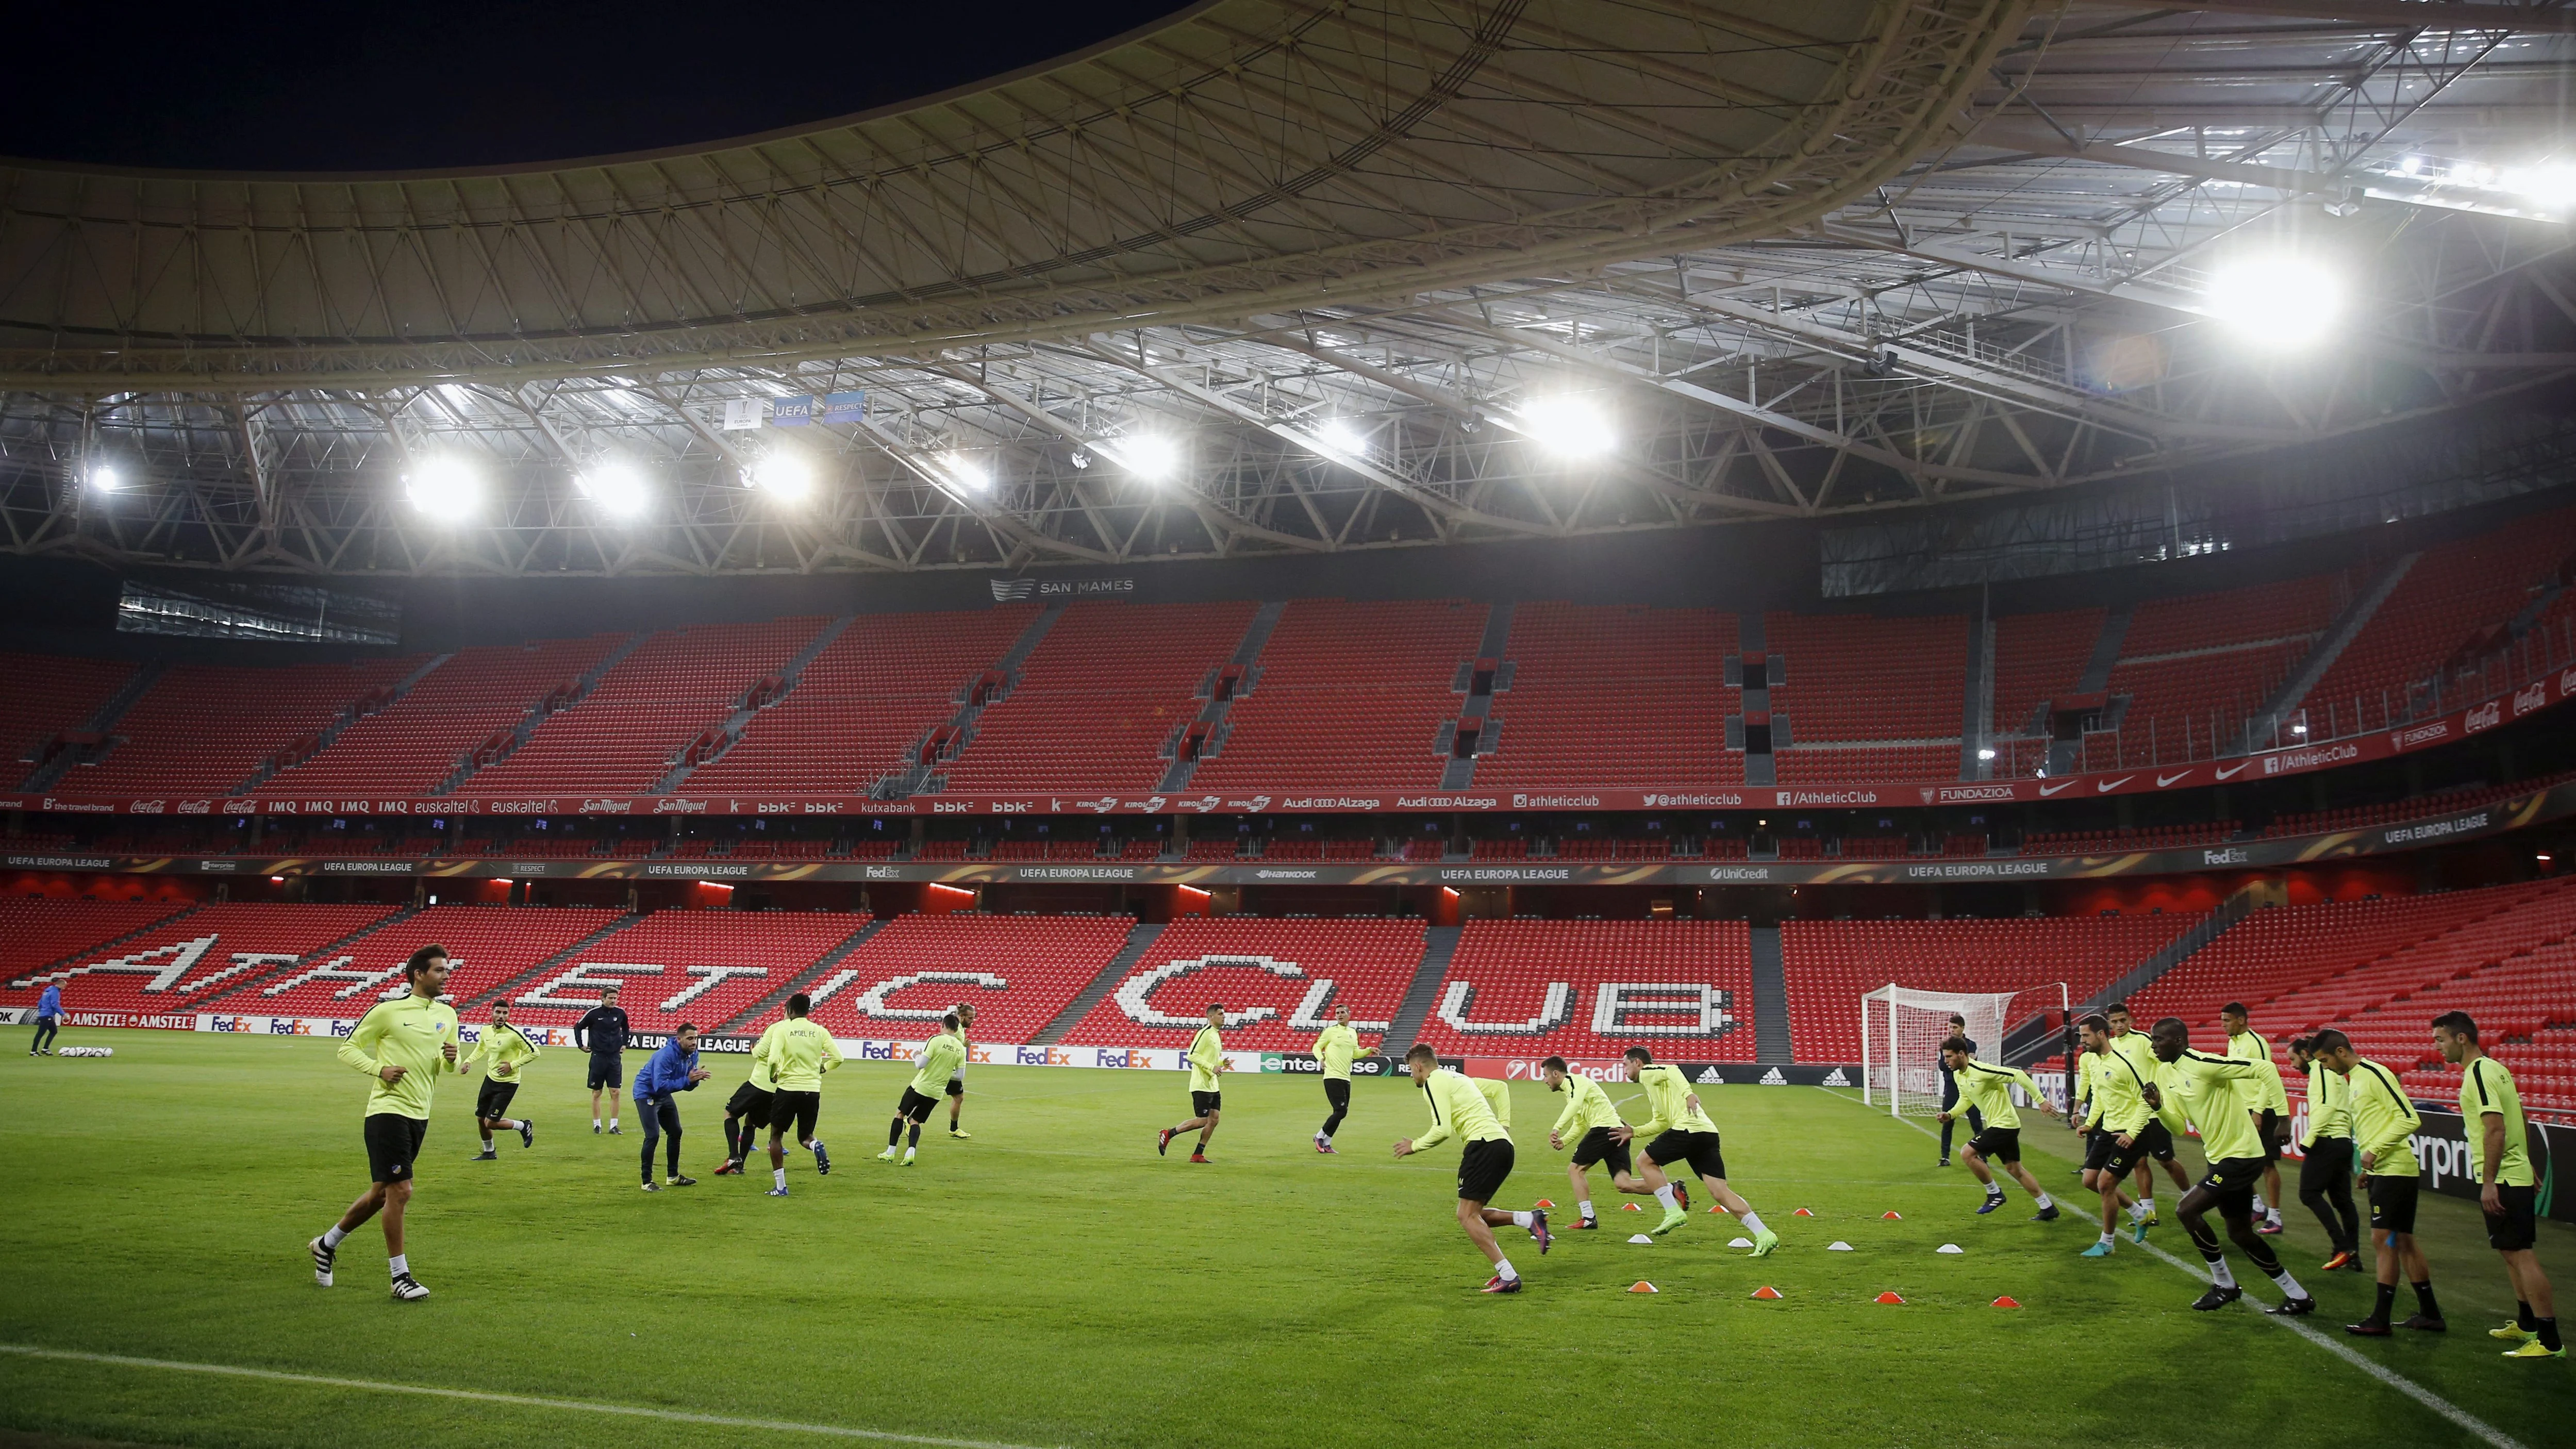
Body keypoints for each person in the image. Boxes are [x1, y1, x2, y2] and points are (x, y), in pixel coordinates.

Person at [309, 944, 458, 1302]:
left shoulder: (448, 1015)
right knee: (402, 1191)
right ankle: (400, 1276)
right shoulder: (387, 1011)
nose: (446, 975)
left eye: (447, 969)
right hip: (387, 1110)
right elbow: (348, 1048)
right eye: (439, 970)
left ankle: (326, 1244)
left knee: (381, 1194)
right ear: (418, 974)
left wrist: (450, 1059)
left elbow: (444, 1066)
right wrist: (380, 1069)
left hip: (420, 1114)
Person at [2148, 1019, 2316, 1316]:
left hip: (2243, 1155)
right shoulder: (2165, 1072)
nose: (2153, 1045)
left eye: (2159, 1039)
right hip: (2219, 1157)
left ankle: (2224, 1284)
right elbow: (2177, 1126)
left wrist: (2283, 1118)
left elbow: (2265, 1069)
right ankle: (2297, 1295)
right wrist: (2159, 1107)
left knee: (2187, 1210)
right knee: (2240, 1233)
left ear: (2178, 1041)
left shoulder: (2204, 1063)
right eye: (2153, 1039)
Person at [2432, 1012, 2560, 1359]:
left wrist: (2488, 1181)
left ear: (2461, 1038)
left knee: (2520, 1252)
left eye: (2440, 1039)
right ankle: (2527, 1322)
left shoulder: (2478, 1073)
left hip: (2502, 1176)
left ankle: (2549, 1340)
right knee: (2509, 1251)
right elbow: (2521, 1116)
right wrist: (2528, 1161)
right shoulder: (2495, 1068)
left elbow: (2495, 1129)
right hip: (2511, 1170)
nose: (2437, 1047)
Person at [2312, 1028, 2440, 1336]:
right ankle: (2431, 1314)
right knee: (2403, 1241)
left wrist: (2374, 1152)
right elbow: (2377, 1124)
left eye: (2325, 1060)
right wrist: (2369, 1167)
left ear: (2341, 1052)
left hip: (2396, 1171)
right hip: (2386, 1171)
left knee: (2383, 1241)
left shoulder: (2373, 1073)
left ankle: (2381, 1319)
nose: (2325, 1066)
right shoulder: (2355, 1080)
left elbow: (2410, 1118)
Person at [1393, 1043, 1548, 1291]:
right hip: (1503, 1146)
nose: (1411, 1075)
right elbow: (1500, 1087)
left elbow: (1442, 1130)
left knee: (1466, 1216)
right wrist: (1504, 1125)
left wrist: (1415, 1146)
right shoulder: (1459, 1078)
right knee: (1474, 1213)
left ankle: (1508, 1276)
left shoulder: (1434, 1082)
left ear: (1418, 1066)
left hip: (1483, 1146)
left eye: (1410, 1070)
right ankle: (1530, 1219)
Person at [1621, 1046, 1771, 1253]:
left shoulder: (1648, 1072)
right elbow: (1661, 1122)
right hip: (1706, 1134)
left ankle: (1673, 1211)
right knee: (1720, 1192)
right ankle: (1764, 1235)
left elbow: (1672, 1069)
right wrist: (1634, 1131)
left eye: (1625, 1065)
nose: (1624, 1070)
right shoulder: (1656, 1088)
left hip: (1688, 1131)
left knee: (1644, 1162)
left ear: (1637, 1062)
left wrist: (1688, 1093)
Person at [1934, 1037, 2062, 1222]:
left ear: (1961, 1054)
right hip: (2000, 1125)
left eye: (1949, 1057)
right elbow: (1966, 1099)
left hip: (2005, 1125)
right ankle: (2047, 1207)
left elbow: (2019, 1075)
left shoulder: (1981, 1070)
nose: (1946, 1061)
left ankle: (1994, 1194)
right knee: (2015, 1169)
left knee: (1967, 1153)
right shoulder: (1958, 1075)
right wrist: (1950, 1114)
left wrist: (2041, 1101)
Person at [1542, 1056, 1660, 1228]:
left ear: (1555, 1074)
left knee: (1575, 1170)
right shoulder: (1572, 1091)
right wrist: (1564, 1141)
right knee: (1623, 1184)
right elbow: (1581, 1123)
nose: (1544, 1081)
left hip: (1604, 1129)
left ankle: (1588, 1218)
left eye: (1545, 1076)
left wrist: (1557, 1127)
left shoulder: (1575, 1081)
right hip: (1617, 1131)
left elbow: (1575, 1105)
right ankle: (1671, 1189)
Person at [2070, 1013, 2152, 1257]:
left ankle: (2107, 1243)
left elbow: (2147, 1099)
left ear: (2101, 1034)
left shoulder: (2123, 1064)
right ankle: (2141, 1214)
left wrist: (2132, 1132)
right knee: (2089, 1181)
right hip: (2108, 1129)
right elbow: (2100, 1098)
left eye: (2086, 1035)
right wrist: (2090, 1123)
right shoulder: (2095, 1062)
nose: (2082, 1041)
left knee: (2105, 1184)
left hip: (2131, 1132)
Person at [2108, 1002, 2191, 1225]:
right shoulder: (2110, 1046)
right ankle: (2149, 1213)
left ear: (2131, 1020)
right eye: (2114, 1022)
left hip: (2153, 1113)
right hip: (2132, 1115)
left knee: (2165, 1160)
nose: (2119, 1025)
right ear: (2109, 1024)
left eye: (2123, 1020)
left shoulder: (2144, 1040)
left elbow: (2165, 1064)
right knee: (2139, 1162)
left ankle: (2191, 1199)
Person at [750, 992, 840, 1196]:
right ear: (808, 1010)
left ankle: (781, 1187)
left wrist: (773, 1076)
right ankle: (815, 1145)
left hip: (788, 1089)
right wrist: (824, 1068)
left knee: (776, 1136)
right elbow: (839, 1058)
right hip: (812, 1090)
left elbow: (773, 1059)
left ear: (790, 1010)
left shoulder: (783, 1029)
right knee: (805, 1136)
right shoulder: (819, 1031)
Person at [2286, 1035, 2363, 1273]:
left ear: (2306, 1055)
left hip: (2327, 1141)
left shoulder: (2321, 1071)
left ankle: (2343, 1247)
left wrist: (2309, 1140)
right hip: (2342, 1142)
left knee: (2309, 1194)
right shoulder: (2337, 1075)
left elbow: (2327, 1107)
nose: (2292, 1065)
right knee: (2343, 1202)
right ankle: (2353, 1254)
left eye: (2293, 1059)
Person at [2219, 1002, 2291, 1235]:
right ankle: (2257, 1206)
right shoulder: (2233, 1042)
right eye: (2222, 1021)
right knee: (2237, 1159)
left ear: (2241, 1020)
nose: (2224, 1025)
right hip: (2241, 1109)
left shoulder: (2257, 1043)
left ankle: (2276, 1216)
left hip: (2261, 1110)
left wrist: (2259, 1110)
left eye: (2227, 1020)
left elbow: (2267, 1076)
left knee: (2267, 1163)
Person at [883, 1011, 968, 1165]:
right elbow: (960, 1076)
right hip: (936, 1093)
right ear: (956, 1030)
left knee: (900, 1114)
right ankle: (911, 1153)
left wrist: (916, 1055)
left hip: (920, 1087)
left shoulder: (935, 1040)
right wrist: (945, 1072)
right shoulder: (961, 1049)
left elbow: (921, 1064)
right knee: (915, 1121)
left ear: (943, 1025)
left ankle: (890, 1152)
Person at [634, 1024, 710, 1191]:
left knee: (676, 1131)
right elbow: (659, 1086)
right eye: (690, 1038)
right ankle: (647, 1182)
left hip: (662, 1094)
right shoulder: (665, 1056)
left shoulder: (693, 1055)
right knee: (653, 1136)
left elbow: (687, 1084)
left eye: (696, 1038)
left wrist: (695, 1080)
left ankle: (673, 1177)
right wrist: (687, 1081)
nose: (694, 1042)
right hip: (647, 1093)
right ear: (679, 1039)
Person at [463, 998, 538, 1160]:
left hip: (508, 1084)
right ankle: (489, 1152)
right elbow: (481, 1047)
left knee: (490, 1123)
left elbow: (534, 1052)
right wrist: (469, 1061)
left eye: (505, 1013)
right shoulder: (486, 1031)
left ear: (509, 1015)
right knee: (480, 1119)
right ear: (492, 1013)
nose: (501, 1016)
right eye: (498, 1012)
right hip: (490, 1079)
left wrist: (512, 1065)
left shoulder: (513, 1035)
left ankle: (523, 1125)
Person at [1157, 1004, 1228, 1163]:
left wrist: (1222, 1062)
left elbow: (1210, 1059)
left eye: (1224, 1014)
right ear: (1211, 1017)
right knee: (1203, 1120)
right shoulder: (1205, 1033)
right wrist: (1212, 1067)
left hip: (1212, 1085)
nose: (1224, 1016)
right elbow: (1192, 1055)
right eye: (1220, 1014)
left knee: (1214, 1119)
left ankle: (1198, 1154)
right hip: (1201, 1085)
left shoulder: (1216, 1035)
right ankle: (1168, 1134)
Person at [1310, 1004, 1376, 1154]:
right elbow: (1316, 1047)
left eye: (1342, 1013)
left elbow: (1355, 1053)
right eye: (1337, 1013)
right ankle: (1319, 1136)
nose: (1339, 1015)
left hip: (1346, 1077)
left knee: (1342, 1111)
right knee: (1340, 1111)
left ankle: (1327, 1143)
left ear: (1348, 1014)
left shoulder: (1353, 1032)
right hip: (1332, 1076)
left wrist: (1369, 1050)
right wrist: (1321, 1058)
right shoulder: (1330, 1031)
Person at [713, 1032, 777, 1176]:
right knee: (751, 1123)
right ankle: (739, 1166)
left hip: (759, 1083)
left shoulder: (776, 1029)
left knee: (730, 1113)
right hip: (777, 1089)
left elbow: (759, 1052)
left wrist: (754, 1049)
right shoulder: (798, 1035)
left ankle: (734, 1157)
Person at [575, 985, 632, 1135]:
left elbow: (626, 1028)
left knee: (616, 1092)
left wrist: (625, 1043)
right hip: (598, 1057)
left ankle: (614, 1126)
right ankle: (597, 1124)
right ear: (603, 998)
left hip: (614, 1058)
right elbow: (578, 1027)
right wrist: (581, 1045)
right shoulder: (594, 1014)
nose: (613, 1001)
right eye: (610, 998)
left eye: (615, 998)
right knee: (597, 1092)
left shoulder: (620, 1013)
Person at [1935, 1011, 1983, 1167]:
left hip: (1969, 1088)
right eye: (1950, 1027)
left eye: (1955, 1027)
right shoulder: (1945, 1045)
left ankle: (1983, 1155)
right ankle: (1945, 1157)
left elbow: (1973, 1065)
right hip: (1951, 1088)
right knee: (1947, 1122)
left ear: (1963, 1028)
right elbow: (1942, 1066)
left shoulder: (1971, 1045)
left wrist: (1955, 1064)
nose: (1952, 1030)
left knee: (1976, 1123)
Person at [944, 1002, 976, 1140]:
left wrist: (963, 1045)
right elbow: (946, 1042)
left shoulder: (960, 1028)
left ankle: (906, 1117)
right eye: (970, 1018)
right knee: (957, 1097)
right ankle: (908, 1118)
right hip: (948, 1069)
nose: (973, 1021)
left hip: (949, 1068)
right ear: (962, 1016)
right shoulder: (956, 1027)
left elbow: (955, 1045)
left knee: (957, 1097)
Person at [30, 981, 63, 1056]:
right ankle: (33, 1051)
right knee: (40, 1034)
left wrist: (42, 1011)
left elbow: (40, 1003)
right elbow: (55, 1004)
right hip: (47, 1015)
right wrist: (63, 1014)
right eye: (64, 986)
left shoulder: (46, 991)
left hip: (45, 1014)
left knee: (54, 1031)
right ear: (60, 985)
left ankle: (45, 1049)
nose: (64, 988)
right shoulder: (55, 992)